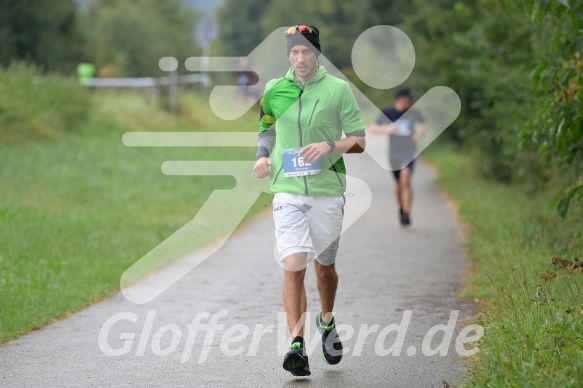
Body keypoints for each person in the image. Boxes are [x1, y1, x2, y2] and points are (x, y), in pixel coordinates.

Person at [252, 24, 366, 377]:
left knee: (324, 268)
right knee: (294, 264)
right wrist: (262, 155)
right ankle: (297, 345)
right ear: (288, 55)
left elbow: (359, 140)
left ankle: (326, 320)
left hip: (327, 190)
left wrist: (330, 146)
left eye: (306, 52)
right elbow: (267, 125)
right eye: (294, 52)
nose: (300, 58)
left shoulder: (337, 90)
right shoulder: (274, 88)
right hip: (286, 188)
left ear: (317, 54)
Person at [370, 87, 426, 226]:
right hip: (394, 152)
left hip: (409, 151)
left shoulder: (414, 112)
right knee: (399, 184)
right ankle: (401, 209)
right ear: (400, 99)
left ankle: (407, 213)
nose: (411, 102)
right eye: (409, 100)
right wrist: (387, 129)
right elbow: (374, 127)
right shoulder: (388, 112)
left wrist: (419, 133)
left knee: (405, 180)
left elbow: (424, 123)